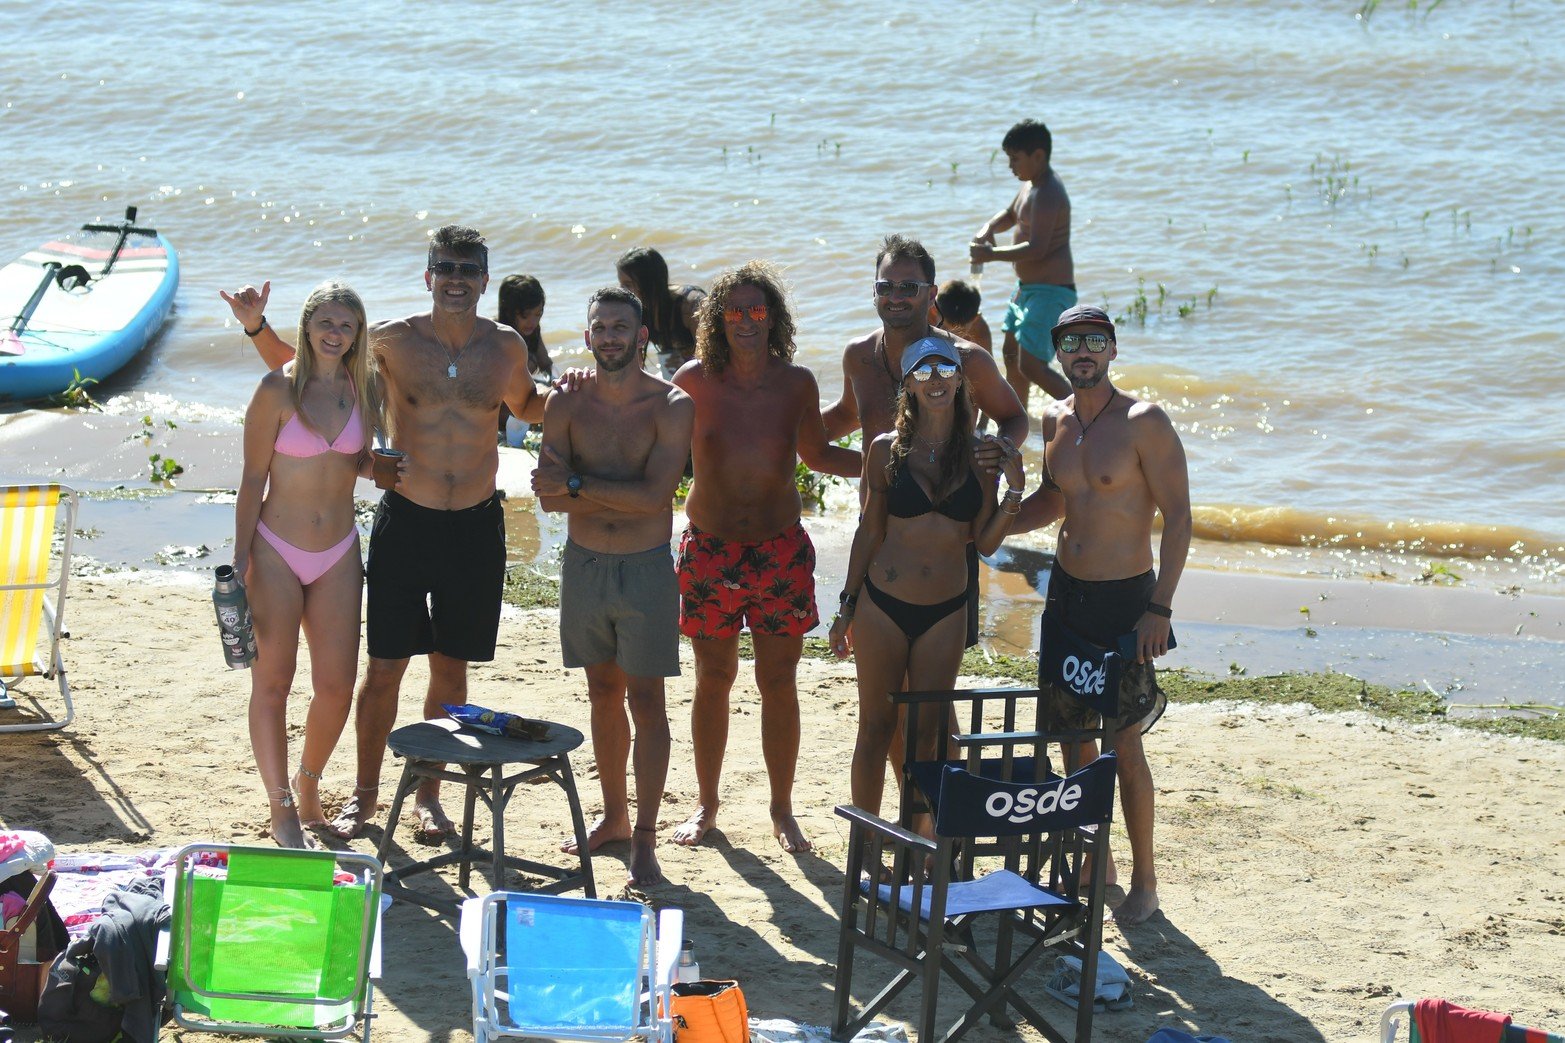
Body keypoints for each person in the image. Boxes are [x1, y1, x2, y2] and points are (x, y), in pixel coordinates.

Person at [222, 225, 550, 838]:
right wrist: (255, 328)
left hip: (478, 525)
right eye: (444, 267)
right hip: (406, 522)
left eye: (468, 269)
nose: (456, 278)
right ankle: (366, 795)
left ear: (484, 279)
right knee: (385, 669)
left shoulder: (505, 347)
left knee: (451, 672)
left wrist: (598, 393)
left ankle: (428, 793)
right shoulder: (391, 343)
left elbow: (529, 405)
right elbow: (309, 373)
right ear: (428, 276)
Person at [670, 260, 861, 852]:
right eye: (735, 311)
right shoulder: (693, 380)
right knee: (713, 679)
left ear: (772, 319)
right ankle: (706, 805)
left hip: (779, 552)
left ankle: (782, 808)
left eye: (758, 311)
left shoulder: (796, 383)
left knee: (779, 681)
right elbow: (652, 446)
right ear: (717, 320)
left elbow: (819, 455)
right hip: (710, 550)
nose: (746, 321)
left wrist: (893, 467)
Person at [1010, 303, 1191, 925]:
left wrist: (1160, 608)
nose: (1083, 351)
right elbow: (1056, 501)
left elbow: (1180, 518)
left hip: (1126, 603)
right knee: (1071, 739)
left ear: (1112, 350)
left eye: (1095, 340)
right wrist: (994, 521)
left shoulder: (1145, 422)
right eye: (1071, 342)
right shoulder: (1053, 418)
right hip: (1066, 598)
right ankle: (1098, 857)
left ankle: (1145, 878)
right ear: (1058, 352)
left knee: (1125, 746)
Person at [531, 287, 693, 886]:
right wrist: (576, 487)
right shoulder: (567, 402)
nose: (610, 337)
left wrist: (574, 480)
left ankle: (646, 838)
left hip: (646, 567)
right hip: (583, 566)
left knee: (646, 700)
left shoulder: (672, 405)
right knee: (602, 692)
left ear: (642, 335)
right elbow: (547, 497)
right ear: (589, 332)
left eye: (621, 327)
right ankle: (616, 819)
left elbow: (655, 497)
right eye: (600, 327)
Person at [828, 337, 1024, 818]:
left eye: (943, 370)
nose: (934, 380)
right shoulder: (884, 450)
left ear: (960, 380)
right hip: (882, 605)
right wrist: (846, 606)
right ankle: (866, 842)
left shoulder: (981, 455)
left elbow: (986, 541)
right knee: (875, 726)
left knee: (929, 734)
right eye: (921, 373)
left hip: (946, 610)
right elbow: (869, 529)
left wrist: (1015, 491)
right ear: (908, 388)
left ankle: (917, 841)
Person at [823, 236, 1030, 649]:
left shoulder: (966, 361)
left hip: (948, 547)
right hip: (876, 534)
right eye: (886, 286)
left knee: (930, 700)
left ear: (931, 294)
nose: (896, 296)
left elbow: (1014, 417)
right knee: (881, 695)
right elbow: (848, 416)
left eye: (909, 287)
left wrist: (998, 450)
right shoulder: (859, 356)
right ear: (874, 291)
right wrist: (782, 430)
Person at [234, 282, 377, 848]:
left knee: (337, 685)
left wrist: (383, 467)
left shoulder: (365, 389)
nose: (336, 333)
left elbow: (360, 463)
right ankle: (280, 805)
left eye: (347, 325)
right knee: (274, 682)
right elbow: (251, 480)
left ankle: (309, 781)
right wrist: (240, 559)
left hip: (340, 551)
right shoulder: (276, 389)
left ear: (357, 332)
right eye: (327, 322)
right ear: (307, 325)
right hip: (274, 549)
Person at [969, 119, 1075, 407]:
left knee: (1031, 364)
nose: (1010, 166)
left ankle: (1085, 412)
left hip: (1050, 291)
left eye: (1015, 159)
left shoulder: (1049, 192)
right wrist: (988, 228)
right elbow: (1010, 214)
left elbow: (1038, 249)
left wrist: (990, 255)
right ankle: (1020, 417)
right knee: (1011, 354)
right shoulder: (1030, 186)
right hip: (1026, 289)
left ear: (1038, 156)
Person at [616, 247, 705, 377]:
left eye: (628, 284)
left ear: (649, 283)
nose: (622, 291)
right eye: (621, 284)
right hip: (676, 371)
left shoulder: (690, 306)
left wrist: (689, 363)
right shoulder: (637, 309)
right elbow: (636, 362)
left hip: (702, 370)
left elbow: (715, 355)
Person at [497, 274, 552, 447]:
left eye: (538, 314)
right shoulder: (497, 336)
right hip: (503, 408)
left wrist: (552, 383)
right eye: (526, 315)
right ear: (509, 311)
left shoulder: (533, 332)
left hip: (528, 402)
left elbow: (546, 364)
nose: (533, 322)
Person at [933, 278, 992, 351]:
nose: (952, 335)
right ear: (934, 310)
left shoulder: (979, 329)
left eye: (960, 332)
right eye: (945, 328)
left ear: (975, 319)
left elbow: (987, 360)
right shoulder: (923, 318)